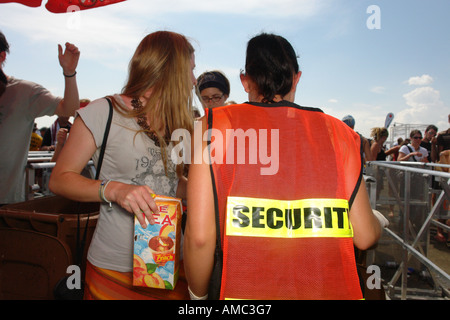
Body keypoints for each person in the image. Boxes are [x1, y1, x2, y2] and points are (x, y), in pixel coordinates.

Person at [183, 33, 381, 300]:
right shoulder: (340, 134)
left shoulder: (213, 126)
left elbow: (199, 238)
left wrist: (197, 297)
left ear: (245, 80)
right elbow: (365, 237)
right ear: (297, 78)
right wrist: (378, 221)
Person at [49, 31, 196, 300]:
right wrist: (115, 190)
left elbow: (172, 183)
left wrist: (207, 189)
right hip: (115, 268)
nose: (194, 81)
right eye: (190, 70)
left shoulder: (177, 122)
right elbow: (59, 178)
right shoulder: (104, 111)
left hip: (171, 262)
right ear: (170, 69)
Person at [0, 30, 80, 205]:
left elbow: (70, 108)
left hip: (6, 200)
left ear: (1, 56)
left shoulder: (23, 92)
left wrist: (69, 73)